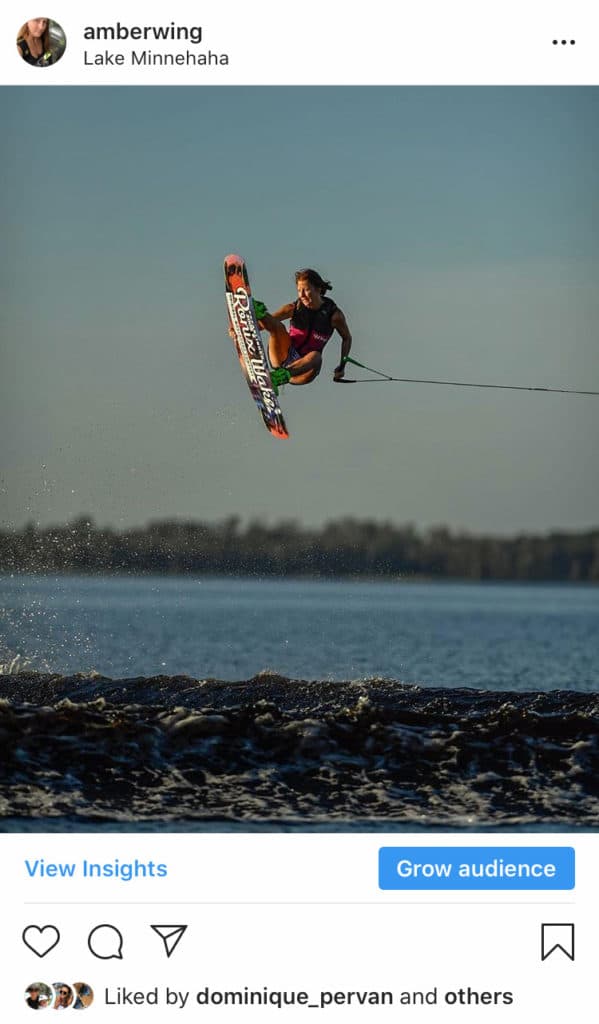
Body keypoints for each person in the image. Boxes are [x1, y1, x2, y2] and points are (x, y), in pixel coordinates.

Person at [255, 269, 352, 391]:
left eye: (305, 290)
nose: (301, 295)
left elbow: (347, 338)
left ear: (318, 289)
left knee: (316, 356)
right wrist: (240, 328)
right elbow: (269, 323)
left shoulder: (334, 316)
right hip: (282, 355)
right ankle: (257, 311)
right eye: (299, 291)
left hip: (303, 372)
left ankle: (279, 378)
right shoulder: (294, 308)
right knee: (279, 327)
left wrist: (342, 366)